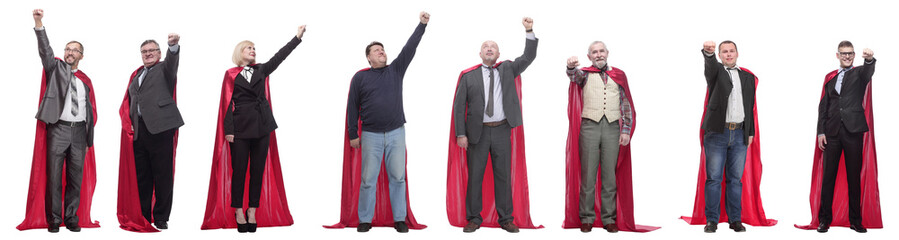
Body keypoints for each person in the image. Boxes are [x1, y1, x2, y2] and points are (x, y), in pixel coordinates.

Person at [344, 11, 429, 233]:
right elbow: (352, 107)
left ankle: (399, 218)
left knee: (398, 177)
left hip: (396, 133)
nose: (381, 51)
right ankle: (365, 219)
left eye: (382, 49)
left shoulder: (396, 70)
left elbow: (410, 48)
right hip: (370, 135)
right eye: (376, 50)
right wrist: (353, 134)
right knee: (368, 179)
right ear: (369, 58)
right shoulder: (360, 78)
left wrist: (421, 25)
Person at [451, 17, 537, 233]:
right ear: (480, 54)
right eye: (485, 47)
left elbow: (529, 56)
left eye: (493, 47)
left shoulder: (508, 69)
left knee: (503, 176)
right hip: (476, 134)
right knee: (475, 177)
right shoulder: (468, 76)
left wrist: (529, 30)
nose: (489, 49)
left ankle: (506, 218)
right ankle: (473, 218)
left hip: (501, 130)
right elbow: (459, 107)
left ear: (498, 54)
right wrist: (460, 134)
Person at [20, 9, 99, 233]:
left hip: (79, 134)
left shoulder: (86, 81)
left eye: (75, 50)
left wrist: (87, 135)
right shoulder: (55, 69)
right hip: (59, 130)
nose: (70, 52)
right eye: (68, 49)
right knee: (54, 177)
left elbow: (91, 109)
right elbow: (45, 51)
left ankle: (71, 217)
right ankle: (54, 219)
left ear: (82, 56)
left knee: (76, 178)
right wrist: (38, 24)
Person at [564, 41, 637, 233]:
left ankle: (608, 219)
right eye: (594, 52)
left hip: (612, 128)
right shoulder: (585, 74)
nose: (598, 55)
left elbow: (625, 104)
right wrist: (570, 66)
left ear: (607, 53)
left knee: (609, 176)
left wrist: (626, 130)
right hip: (589, 127)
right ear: (589, 57)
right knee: (588, 175)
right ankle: (586, 217)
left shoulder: (618, 75)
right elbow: (573, 74)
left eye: (601, 51)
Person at [119, 28, 183, 230]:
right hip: (139, 131)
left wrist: (173, 46)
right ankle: (144, 215)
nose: (147, 54)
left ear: (159, 53)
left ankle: (161, 216)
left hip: (161, 128)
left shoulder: (165, 68)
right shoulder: (136, 74)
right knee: (142, 176)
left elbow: (173, 62)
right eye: (144, 51)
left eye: (152, 51)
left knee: (162, 175)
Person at [813, 41, 879, 233]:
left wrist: (869, 60)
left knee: (853, 178)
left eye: (850, 54)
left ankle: (855, 221)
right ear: (837, 55)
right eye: (843, 54)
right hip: (832, 133)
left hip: (853, 132)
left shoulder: (859, 74)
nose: (847, 57)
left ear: (854, 55)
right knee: (828, 178)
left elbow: (869, 72)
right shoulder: (830, 78)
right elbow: (823, 107)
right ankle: (824, 220)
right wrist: (821, 132)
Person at [698, 40, 755, 233]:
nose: (729, 54)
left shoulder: (747, 77)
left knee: (735, 180)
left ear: (737, 53)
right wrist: (708, 53)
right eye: (725, 52)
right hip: (717, 133)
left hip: (739, 133)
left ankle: (735, 220)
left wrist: (750, 132)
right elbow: (710, 65)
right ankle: (712, 220)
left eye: (731, 51)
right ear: (720, 55)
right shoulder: (716, 73)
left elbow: (750, 107)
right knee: (713, 179)